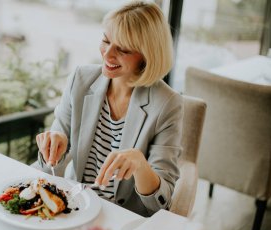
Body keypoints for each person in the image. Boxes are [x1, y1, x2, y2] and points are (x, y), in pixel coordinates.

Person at [35, 1, 183, 217]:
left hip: (121, 216)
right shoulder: (80, 78)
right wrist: (54, 143)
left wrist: (140, 165)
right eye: (106, 40)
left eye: (122, 49)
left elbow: (162, 201)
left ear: (147, 55)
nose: (108, 54)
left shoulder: (167, 104)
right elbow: (57, 142)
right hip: (72, 203)